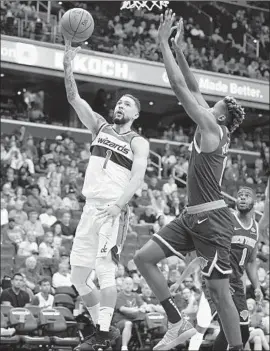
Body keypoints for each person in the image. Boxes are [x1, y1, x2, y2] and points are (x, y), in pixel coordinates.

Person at [134, 11, 245, 351]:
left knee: (219, 291)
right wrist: (178, 49)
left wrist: (161, 46)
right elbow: (194, 86)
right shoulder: (212, 123)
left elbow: (180, 87)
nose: (207, 101)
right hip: (190, 215)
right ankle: (176, 321)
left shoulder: (212, 127)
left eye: (215, 103)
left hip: (211, 220)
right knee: (142, 258)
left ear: (222, 114)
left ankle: (237, 348)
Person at [63, 38, 149, 351]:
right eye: (119, 102)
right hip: (89, 209)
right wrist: (68, 63)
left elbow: (137, 178)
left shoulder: (138, 142)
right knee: (78, 277)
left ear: (136, 114)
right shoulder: (99, 128)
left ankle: (101, 335)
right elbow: (73, 98)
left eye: (127, 104)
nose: (120, 106)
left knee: (105, 270)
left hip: (112, 210)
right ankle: (107, 330)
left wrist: (118, 206)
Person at [170, 187, 263, 350]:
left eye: (247, 196)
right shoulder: (228, 219)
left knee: (243, 333)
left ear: (254, 201)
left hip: (236, 284)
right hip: (219, 279)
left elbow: (251, 262)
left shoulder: (256, 229)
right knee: (226, 328)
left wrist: (257, 288)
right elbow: (203, 251)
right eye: (239, 195)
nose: (242, 198)